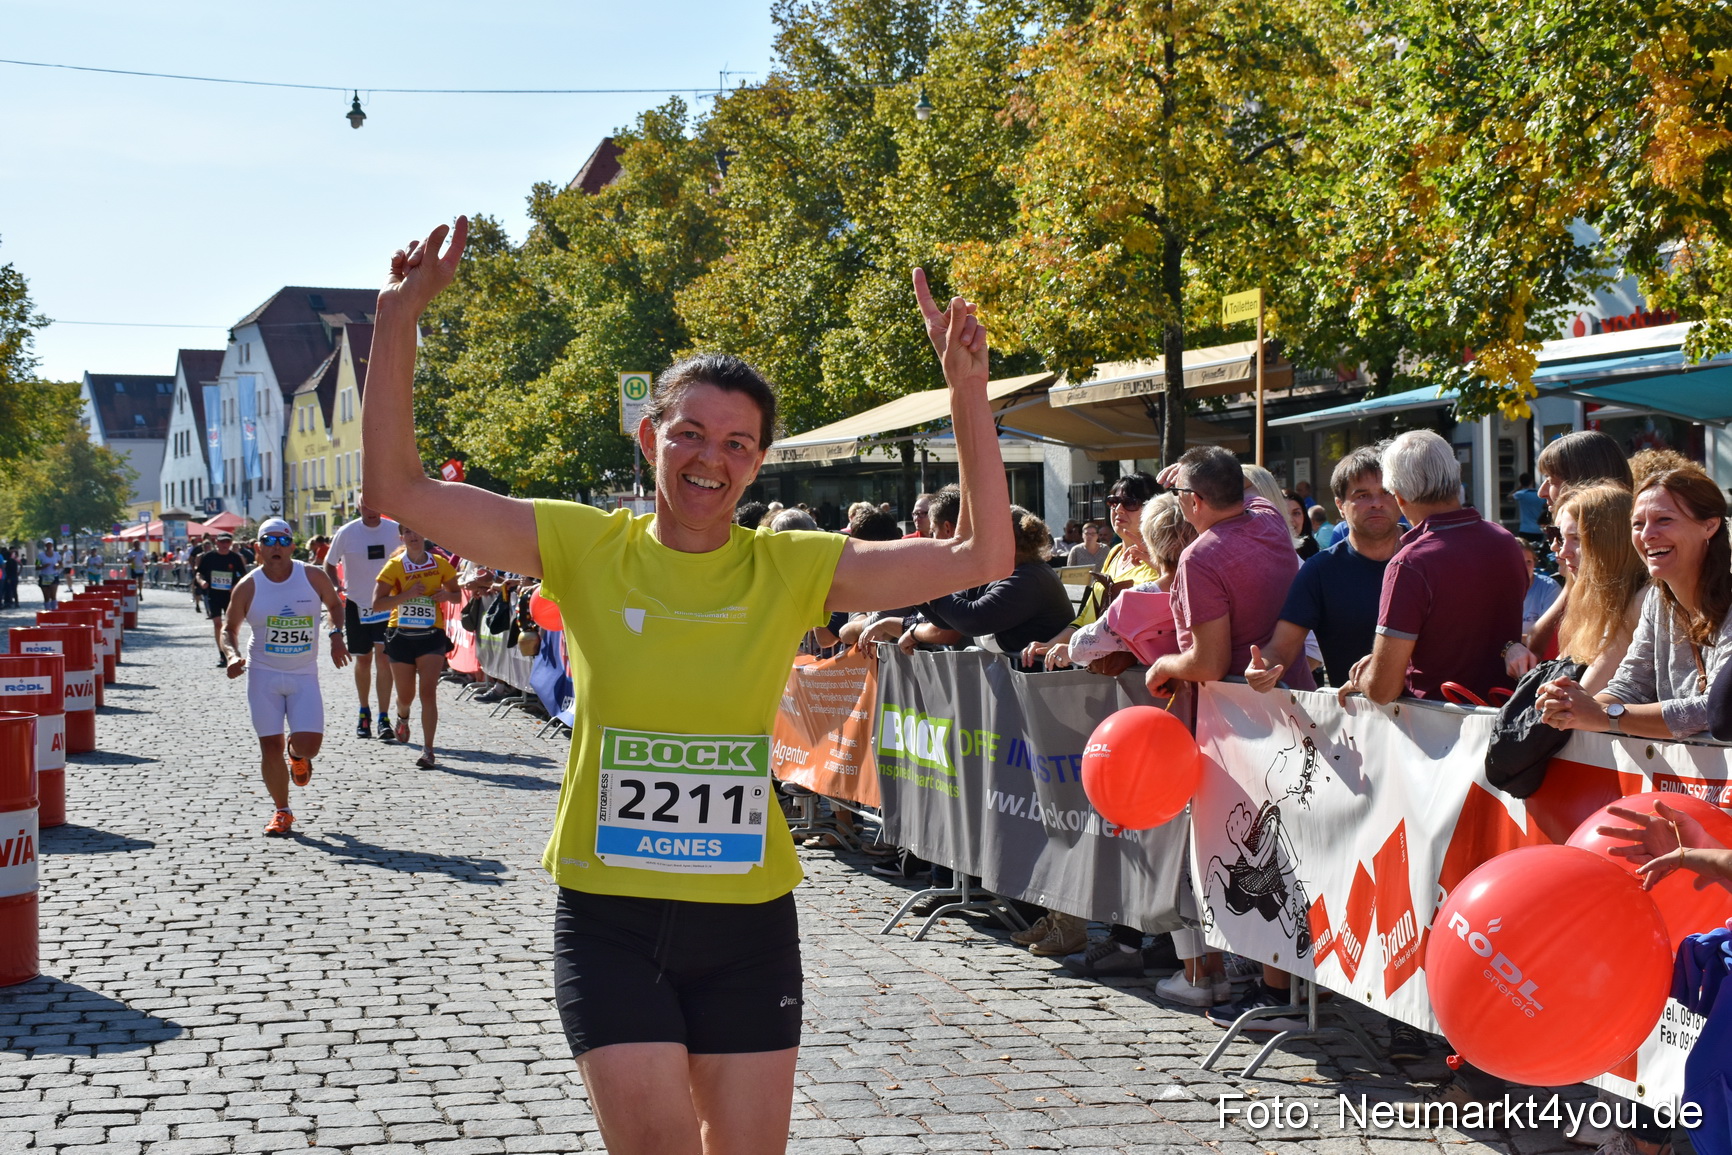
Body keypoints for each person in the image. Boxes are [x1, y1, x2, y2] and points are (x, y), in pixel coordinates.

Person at [361, 217, 1013, 1155]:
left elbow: (982, 552)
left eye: (740, 444)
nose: (712, 459)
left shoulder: (791, 566)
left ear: (758, 461)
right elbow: (402, 486)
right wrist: (397, 322)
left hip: (747, 921)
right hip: (611, 917)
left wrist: (966, 395)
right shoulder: (582, 545)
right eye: (692, 434)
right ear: (649, 435)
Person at [1139, 447, 1309, 1026]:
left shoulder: (1201, 556)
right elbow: (1244, 490)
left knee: (1257, 856)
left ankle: (1274, 989)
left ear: (1193, 503)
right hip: (1291, 706)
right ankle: (1291, 982)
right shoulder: (1268, 522)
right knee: (1293, 847)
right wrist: (1191, 481)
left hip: (1241, 724)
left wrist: (1164, 667)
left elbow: (1208, 660)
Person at [1335, 430, 1527, 705]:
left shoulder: (1411, 563)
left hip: (1435, 729)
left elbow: (1382, 690)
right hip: (1504, 718)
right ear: (1456, 478)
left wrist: (1363, 676)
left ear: (1398, 496)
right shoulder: (1505, 541)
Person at [1539, 468, 1732, 740]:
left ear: (1709, 526)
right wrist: (1572, 706)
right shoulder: (1657, 599)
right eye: (1638, 524)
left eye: (1664, 520)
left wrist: (1605, 715)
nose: (1647, 535)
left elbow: (1716, 710)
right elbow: (1630, 684)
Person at [221, 518, 349, 836]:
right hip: (263, 675)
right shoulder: (249, 585)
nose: (276, 547)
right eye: (269, 541)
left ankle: (298, 755)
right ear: (258, 548)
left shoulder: (313, 577)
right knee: (269, 746)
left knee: (310, 745)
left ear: (292, 545)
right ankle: (282, 811)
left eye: (283, 541)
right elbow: (228, 629)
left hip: (303, 675)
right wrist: (232, 655)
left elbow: (335, 605)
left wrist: (336, 635)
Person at [1505, 485, 1647, 692]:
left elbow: (1577, 699)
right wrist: (1510, 648)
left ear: (1610, 541)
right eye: (1560, 537)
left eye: (1577, 539)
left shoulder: (1640, 601)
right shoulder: (1590, 599)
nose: (1562, 551)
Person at [1021, 472, 1162, 672]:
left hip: (1145, 673)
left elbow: (1137, 627)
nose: (1118, 509)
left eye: (1130, 502)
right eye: (1113, 501)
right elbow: (1087, 617)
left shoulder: (1164, 559)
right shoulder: (1113, 554)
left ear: (1153, 508)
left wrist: (1072, 649)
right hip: (1109, 672)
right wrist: (1050, 645)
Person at [897, 507, 1074, 655]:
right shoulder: (1002, 570)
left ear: (1002, 541)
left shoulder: (1030, 578)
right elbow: (948, 620)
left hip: (1038, 682)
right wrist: (923, 597)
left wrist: (929, 592)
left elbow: (972, 620)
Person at [371, 525, 460, 768]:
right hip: (401, 634)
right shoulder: (395, 566)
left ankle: (428, 750)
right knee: (406, 696)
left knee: (428, 692)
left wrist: (445, 596)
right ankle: (402, 715)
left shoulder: (440, 564)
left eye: (417, 531)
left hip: (432, 634)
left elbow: (457, 595)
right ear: (402, 537)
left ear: (424, 534)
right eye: (407, 532)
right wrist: (407, 595)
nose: (413, 536)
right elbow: (377, 604)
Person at [323, 506, 403, 740]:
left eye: (375, 506)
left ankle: (384, 717)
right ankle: (364, 711)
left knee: (384, 659)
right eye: (366, 507)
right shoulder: (347, 532)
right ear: (359, 508)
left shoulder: (394, 529)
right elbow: (329, 563)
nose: (371, 511)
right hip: (357, 604)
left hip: (386, 603)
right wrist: (335, 588)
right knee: (364, 659)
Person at [196, 533, 251, 666]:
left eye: (228, 542)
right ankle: (222, 654)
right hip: (213, 595)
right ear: (217, 543)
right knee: (217, 624)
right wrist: (202, 581)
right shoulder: (209, 557)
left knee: (230, 626)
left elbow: (244, 577)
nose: (225, 544)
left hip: (230, 596)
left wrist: (235, 586)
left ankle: (232, 653)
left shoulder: (235, 558)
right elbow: (199, 573)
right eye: (222, 542)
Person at [1518, 540, 1562, 638]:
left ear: (1535, 562)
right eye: (1518, 562)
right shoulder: (1498, 590)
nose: (1524, 568)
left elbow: (1547, 635)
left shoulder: (1549, 588)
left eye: (1528, 562)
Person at [1512, 471, 1546, 541]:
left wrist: (1520, 487)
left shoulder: (1521, 494)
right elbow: (1545, 505)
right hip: (1538, 529)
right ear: (1532, 481)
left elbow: (1509, 496)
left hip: (1525, 529)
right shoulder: (1539, 495)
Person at [36, 540, 60, 608]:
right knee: (46, 596)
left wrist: (57, 566)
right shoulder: (40, 555)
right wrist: (43, 566)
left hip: (54, 576)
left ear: (52, 545)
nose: (49, 546)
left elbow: (61, 564)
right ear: (45, 545)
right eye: (47, 544)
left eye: (50, 544)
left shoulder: (57, 554)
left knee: (53, 595)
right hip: (44, 577)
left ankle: (54, 611)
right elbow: (36, 566)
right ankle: (47, 611)